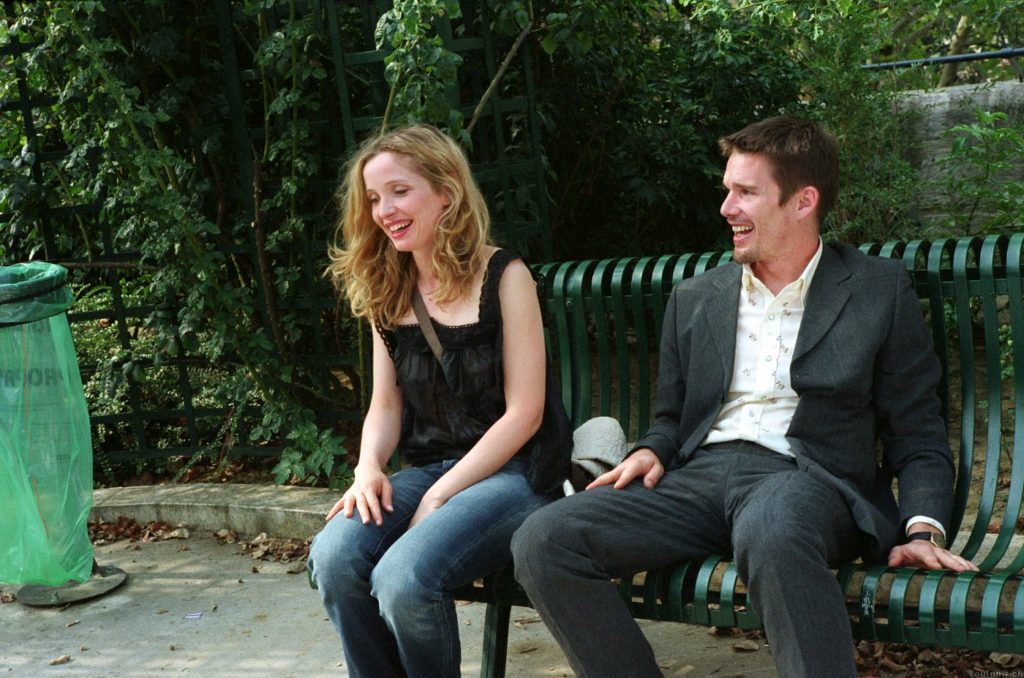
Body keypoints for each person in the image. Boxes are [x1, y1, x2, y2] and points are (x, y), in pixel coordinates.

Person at [511, 114, 979, 678]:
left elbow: (917, 430)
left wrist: (922, 528)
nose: (726, 207)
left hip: (807, 478)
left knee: (771, 527)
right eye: (727, 190)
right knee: (545, 539)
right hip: (698, 481)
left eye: (745, 192)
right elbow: (671, 417)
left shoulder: (876, 290)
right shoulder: (697, 296)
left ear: (803, 202)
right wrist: (653, 448)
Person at [308, 124, 570, 678]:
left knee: (403, 578)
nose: (384, 211)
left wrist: (441, 496)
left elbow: (526, 414)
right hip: (431, 469)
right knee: (333, 558)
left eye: (400, 191)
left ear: (446, 192)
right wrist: (368, 468)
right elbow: (385, 405)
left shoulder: (505, 275)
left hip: (515, 474)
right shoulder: (389, 287)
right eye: (374, 198)